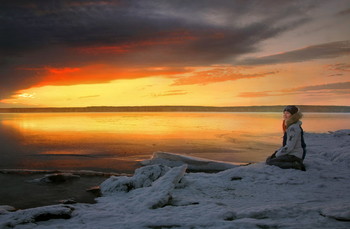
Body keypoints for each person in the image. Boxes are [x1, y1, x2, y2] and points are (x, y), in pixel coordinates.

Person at [266, 105, 306, 171]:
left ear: (294, 115)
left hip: (294, 155)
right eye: (284, 113)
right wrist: (277, 152)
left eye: (287, 113)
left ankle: (295, 165)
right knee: (270, 158)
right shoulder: (292, 126)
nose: (285, 115)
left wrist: (277, 154)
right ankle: (295, 163)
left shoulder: (293, 128)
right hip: (293, 154)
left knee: (270, 161)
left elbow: (289, 146)